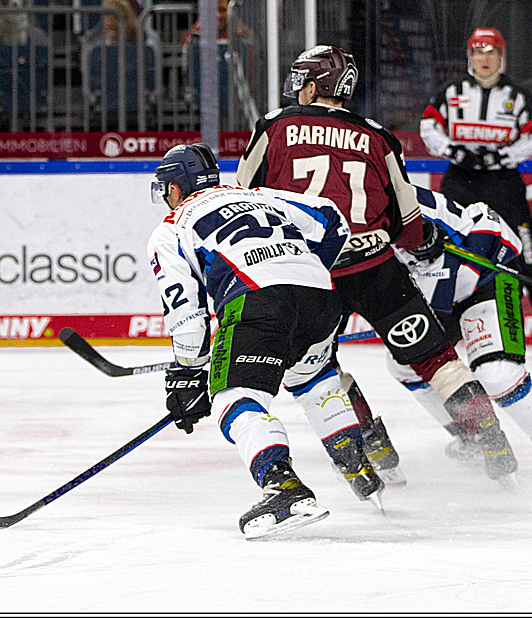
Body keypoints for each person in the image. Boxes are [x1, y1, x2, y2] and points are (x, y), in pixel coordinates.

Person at [236, 45, 519, 483]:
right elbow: (407, 219)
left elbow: (245, 200)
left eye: (301, 80)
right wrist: (424, 242)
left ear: (315, 85)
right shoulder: (377, 135)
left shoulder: (274, 127)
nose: (297, 89)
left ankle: (375, 449)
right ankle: (490, 437)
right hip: (375, 267)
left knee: (318, 368)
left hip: (310, 273)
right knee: (436, 359)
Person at [147, 143, 384, 540]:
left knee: (232, 396)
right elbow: (333, 221)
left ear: (174, 188)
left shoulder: (171, 227)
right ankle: (356, 464)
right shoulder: (257, 196)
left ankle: (283, 486)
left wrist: (189, 373)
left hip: (258, 299)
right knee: (312, 377)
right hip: (321, 295)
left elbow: (188, 320)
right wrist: (298, 269)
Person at [341, 186, 532, 477]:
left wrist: (470, 262)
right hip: (432, 299)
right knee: (404, 365)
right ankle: (471, 436)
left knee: (498, 373)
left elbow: (489, 221)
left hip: (486, 280)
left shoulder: (397, 201)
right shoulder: (337, 233)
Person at [420, 27, 532, 348]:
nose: (484, 59)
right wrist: (453, 151)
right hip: (460, 180)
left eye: (491, 52)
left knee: (527, 252)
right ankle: (446, 323)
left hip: (503, 183)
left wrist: (502, 156)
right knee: (450, 250)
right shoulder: (452, 92)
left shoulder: (517, 96)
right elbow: (428, 127)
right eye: (478, 52)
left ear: (501, 58)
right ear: (470, 57)